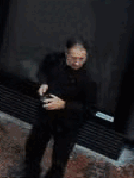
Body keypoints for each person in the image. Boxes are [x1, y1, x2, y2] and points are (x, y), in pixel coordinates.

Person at [23, 38, 97, 178]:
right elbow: (42, 71)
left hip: (68, 126)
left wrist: (64, 105)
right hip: (45, 117)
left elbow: (90, 110)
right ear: (66, 54)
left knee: (59, 162)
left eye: (81, 59)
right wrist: (43, 82)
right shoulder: (53, 59)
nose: (77, 63)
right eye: (74, 58)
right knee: (33, 151)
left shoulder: (90, 79)